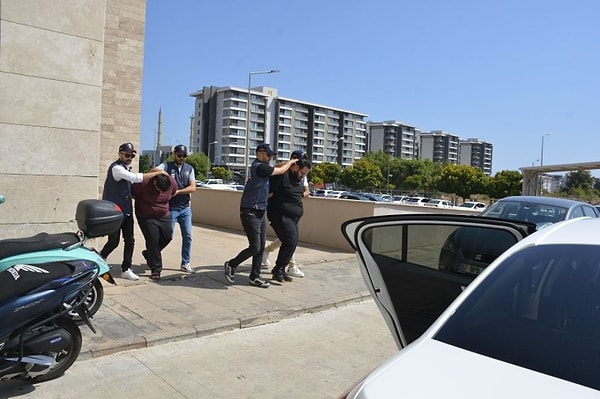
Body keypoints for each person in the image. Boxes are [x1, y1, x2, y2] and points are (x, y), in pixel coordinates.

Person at [224, 143, 298, 288]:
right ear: (260, 153)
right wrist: (290, 162)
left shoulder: (261, 167)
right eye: (268, 155)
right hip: (249, 210)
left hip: (259, 210)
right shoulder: (259, 166)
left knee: (261, 245)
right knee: (255, 246)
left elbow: (276, 165)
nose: (270, 158)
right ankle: (231, 265)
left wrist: (288, 162)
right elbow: (280, 170)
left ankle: (255, 277)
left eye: (271, 156)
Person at [100, 142, 167, 281]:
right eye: (126, 154)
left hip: (126, 211)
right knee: (114, 241)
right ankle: (100, 259)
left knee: (130, 240)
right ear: (119, 154)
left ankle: (126, 269)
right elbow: (135, 178)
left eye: (132, 155)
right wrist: (158, 172)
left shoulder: (126, 168)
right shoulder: (117, 168)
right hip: (114, 211)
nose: (129, 157)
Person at [262, 150, 310, 278]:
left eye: (305, 174)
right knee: (290, 240)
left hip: (293, 217)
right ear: (295, 165)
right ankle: (279, 268)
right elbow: (268, 191)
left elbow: (305, 192)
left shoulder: (298, 179)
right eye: (302, 172)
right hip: (280, 215)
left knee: (291, 242)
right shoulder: (282, 174)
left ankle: (281, 269)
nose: (302, 176)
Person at [153, 144, 197, 273]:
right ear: (174, 154)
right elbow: (154, 170)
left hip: (185, 208)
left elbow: (192, 187)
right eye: (179, 155)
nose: (182, 158)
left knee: (188, 236)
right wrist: (163, 173)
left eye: (184, 156)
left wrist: (177, 191)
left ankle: (185, 263)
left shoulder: (189, 169)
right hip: (171, 208)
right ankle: (152, 254)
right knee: (167, 236)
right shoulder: (167, 165)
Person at [131, 174, 177, 281]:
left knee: (168, 237)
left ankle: (149, 254)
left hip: (164, 215)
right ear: (154, 182)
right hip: (146, 216)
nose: (160, 192)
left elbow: (174, 192)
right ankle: (156, 269)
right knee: (153, 240)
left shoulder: (171, 182)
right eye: (158, 189)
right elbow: (132, 193)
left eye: (163, 190)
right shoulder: (143, 183)